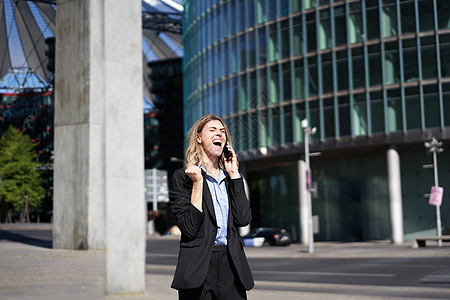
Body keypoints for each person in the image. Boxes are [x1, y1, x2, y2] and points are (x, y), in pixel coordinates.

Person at [169, 114, 254, 299]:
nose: (220, 134)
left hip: (232, 266)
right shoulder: (183, 178)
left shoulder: (231, 178)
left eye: (223, 131)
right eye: (213, 130)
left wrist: (234, 175)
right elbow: (190, 228)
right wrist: (198, 183)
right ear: (199, 138)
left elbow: (243, 219)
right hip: (198, 268)